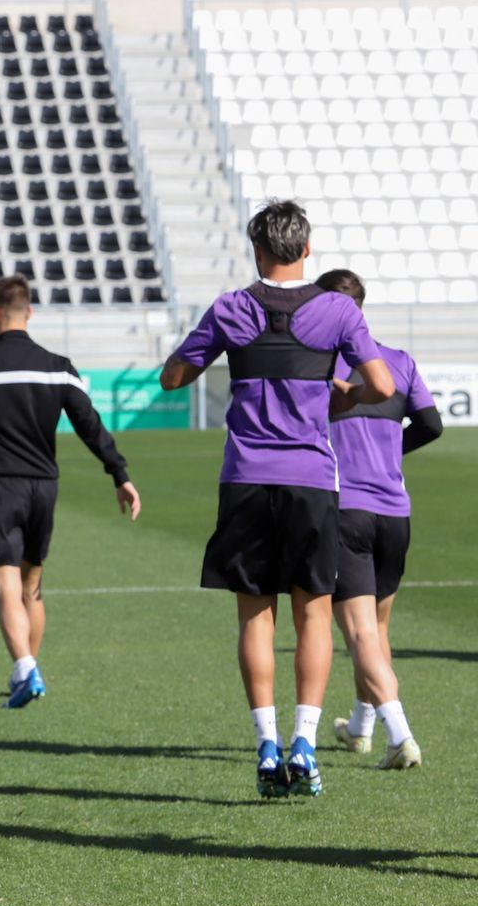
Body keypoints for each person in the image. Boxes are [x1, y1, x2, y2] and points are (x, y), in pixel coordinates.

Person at [160, 200, 392, 799]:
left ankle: (266, 747)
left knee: (253, 617)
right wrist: (341, 392)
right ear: (306, 250)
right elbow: (384, 385)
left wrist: (205, 354)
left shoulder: (232, 308)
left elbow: (173, 377)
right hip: (313, 480)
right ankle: (305, 745)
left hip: (245, 478)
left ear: (256, 249)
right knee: (313, 614)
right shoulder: (337, 309)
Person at [0, 274, 141, 708]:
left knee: (6, 587)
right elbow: (90, 424)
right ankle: (27, 668)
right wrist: (119, 473)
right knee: (32, 586)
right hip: (44, 489)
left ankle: (26, 668)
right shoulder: (58, 367)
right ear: (29, 312)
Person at [317, 268, 442, 769]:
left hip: (346, 510)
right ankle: (361, 728)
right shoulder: (398, 361)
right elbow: (431, 424)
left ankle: (399, 735)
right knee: (376, 630)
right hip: (395, 512)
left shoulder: (318, 368)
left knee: (359, 634)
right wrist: (392, 455)